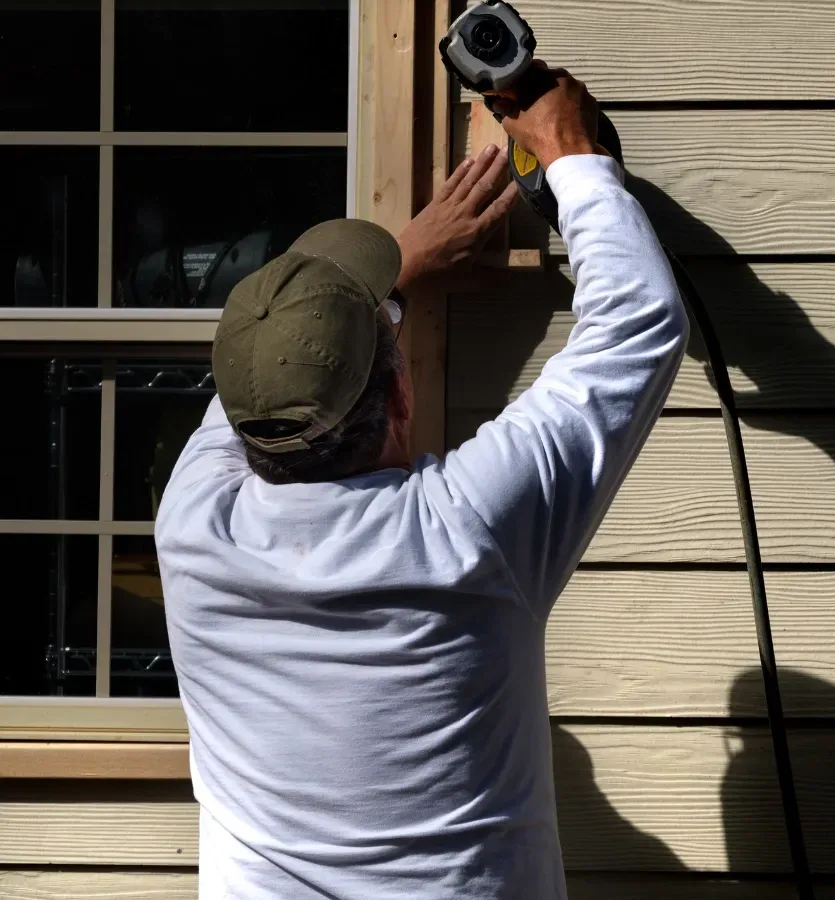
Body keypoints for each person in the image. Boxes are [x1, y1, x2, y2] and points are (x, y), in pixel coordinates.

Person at [154, 65, 688, 899]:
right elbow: (638, 322)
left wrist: (397, 267)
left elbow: (269, 384)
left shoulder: (190, 521)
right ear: (402, 393)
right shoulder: (466, 531)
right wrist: (570, 151)